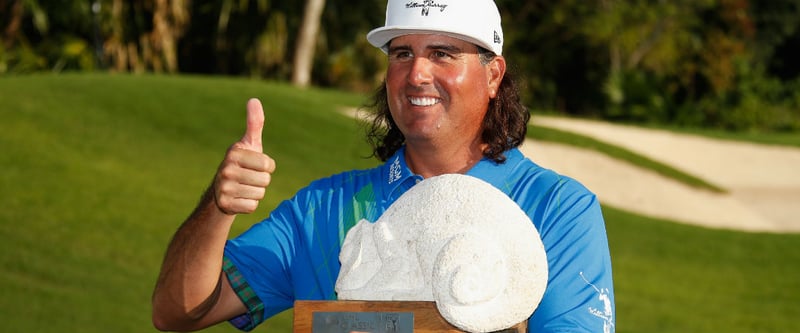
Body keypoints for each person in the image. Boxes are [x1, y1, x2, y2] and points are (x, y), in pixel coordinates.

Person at [151, 0, 616, 332]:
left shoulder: (558, 210)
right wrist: (218, 207)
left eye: (442, 54)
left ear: (493, 74)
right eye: (401, 53)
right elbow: (177, 313)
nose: (417, 73)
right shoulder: (321, 209)